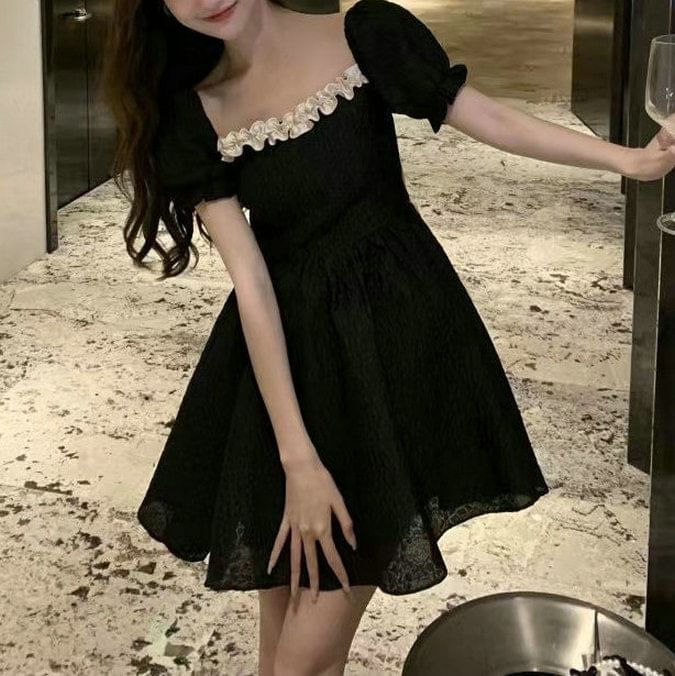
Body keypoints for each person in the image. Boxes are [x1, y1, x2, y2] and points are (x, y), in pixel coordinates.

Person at [102, 1, 675, 674]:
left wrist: (632, 162)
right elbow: (252, 284)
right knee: (284, 628)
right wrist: (298, 460)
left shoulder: (364, 34)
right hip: (286, 371)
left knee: (304, 649)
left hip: (392, 345)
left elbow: (489, 118)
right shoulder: (195, 110)